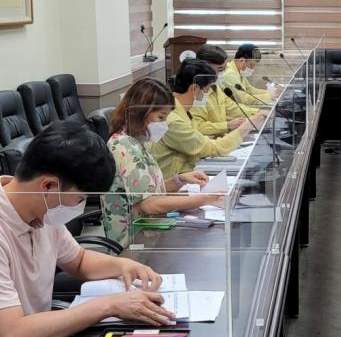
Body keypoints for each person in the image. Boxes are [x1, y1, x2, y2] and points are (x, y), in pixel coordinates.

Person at [0, 121, 174, 337]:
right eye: (80, 200)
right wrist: (109, 305)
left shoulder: (40, 210)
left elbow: (79, 261)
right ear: (48, 186)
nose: (79, 208)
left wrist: (123, 266)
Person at [102, 78, 230, 246]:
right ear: (141, 111)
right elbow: (149, 204)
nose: (164, 124)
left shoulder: (137, 142)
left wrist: (180, 179)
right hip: (133, 243)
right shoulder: (124, 147)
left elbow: (150, 191)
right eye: (161, 117)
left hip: (152, 231)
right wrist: (204, 199)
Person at [150, 60, 260, 182]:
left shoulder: (185, 111)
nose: (208, 94)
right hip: (174, 183)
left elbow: (200, 140)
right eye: (207, 89)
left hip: (188, 174)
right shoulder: (173, 120)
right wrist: (246, 127)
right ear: (195, 88)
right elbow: (212, 148)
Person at [191, 44, 247, 138]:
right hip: (206, 143)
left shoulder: (215, 87)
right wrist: (227, 125)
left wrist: (259, 113)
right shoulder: (196, 92)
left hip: (220, 140)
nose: (223, 73)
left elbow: (232, 108)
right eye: (220, 69)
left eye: (224, 69)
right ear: (205, 68)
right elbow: (197, 126)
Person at [221, 43, 276, 109]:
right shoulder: (230, 75)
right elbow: (244, 99)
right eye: (251, 65)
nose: (253, 69)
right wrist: (270, 96)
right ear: (242, 60)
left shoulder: (239, 72)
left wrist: (271, 93)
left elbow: (250, 90)